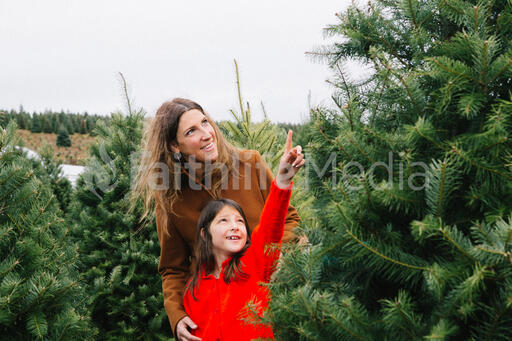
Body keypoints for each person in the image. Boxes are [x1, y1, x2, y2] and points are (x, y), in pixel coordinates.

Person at [131, 98, 300, 340]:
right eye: (191, 131)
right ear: (174, 146)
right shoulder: (171, 199)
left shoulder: (249, 164)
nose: (206, 134)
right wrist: (177, 316)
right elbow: (172, 268)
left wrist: (276, 259)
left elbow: (288, 219)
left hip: (269, 300)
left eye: (205, 122)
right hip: (214, 312)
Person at [183, 130, 304, 340]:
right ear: (205, 234)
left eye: (240, 221)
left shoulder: (254, 264)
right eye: (223, 220)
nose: (235, 226)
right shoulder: (195, 287)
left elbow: (269, 227)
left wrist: (283, 180)